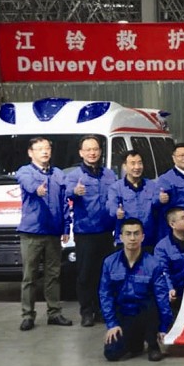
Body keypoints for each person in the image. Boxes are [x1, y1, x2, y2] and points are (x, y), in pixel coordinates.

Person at [16, 137, 73, 331]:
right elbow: (28, 184)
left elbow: (64, 202)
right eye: (39, 148)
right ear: (30, 153)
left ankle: (54, 313)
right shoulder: (25, 171)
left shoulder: (58, 174)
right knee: (29, 276)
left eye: (47, 148)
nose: (44, 152)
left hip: (53, 232)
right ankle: (27, 315)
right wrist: (37, 189)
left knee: (53, 275)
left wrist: (66, 227)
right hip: (32, 232)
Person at [100, 219, 173, 362]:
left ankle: (153, 344)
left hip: (147, 314)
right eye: (128, 234)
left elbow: (162, 296)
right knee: (112, 353)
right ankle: (135, 342)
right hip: (124, 313)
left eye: (136, 234)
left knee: (151, 303)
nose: (132, 238)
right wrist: (112, 324)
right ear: (121, 237)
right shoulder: (109, 262)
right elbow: (105, 294)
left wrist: (164, 327)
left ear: (142, 237)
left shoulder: (153, 263)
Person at [65, 135, 117, 328]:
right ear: (81, 153)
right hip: (86, 232)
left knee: (105, 273)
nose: (92, 153)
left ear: (100, 151)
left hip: (107, 231)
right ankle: (87, 312)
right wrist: (74, 192)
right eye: (88, 150)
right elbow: (66, 192)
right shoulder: (74, 176)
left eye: (95, 149)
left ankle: (102, 310)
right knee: (86, 275)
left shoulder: (109, 175)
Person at [107, 150, 159, 251]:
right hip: (126, 241)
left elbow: (158, 206)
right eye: (133, 163)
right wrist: (117, 212)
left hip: (148, 239)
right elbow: (111, 207)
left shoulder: (152, 186)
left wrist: (161, 200)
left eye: (140, 163)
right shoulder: (116, 188)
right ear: (124, 166)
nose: (137, 167)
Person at [154, 207, 184, 315]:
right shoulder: (162, 247)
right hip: (176, 293)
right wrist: (169, 289)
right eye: (183, 218)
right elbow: (163, 271)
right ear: (172, 224)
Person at [157, 142, 184, 239]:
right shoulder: (166, 179)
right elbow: (155, 202)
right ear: (174, 158)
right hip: (176, 231)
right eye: (181, 155)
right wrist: (160, 199)